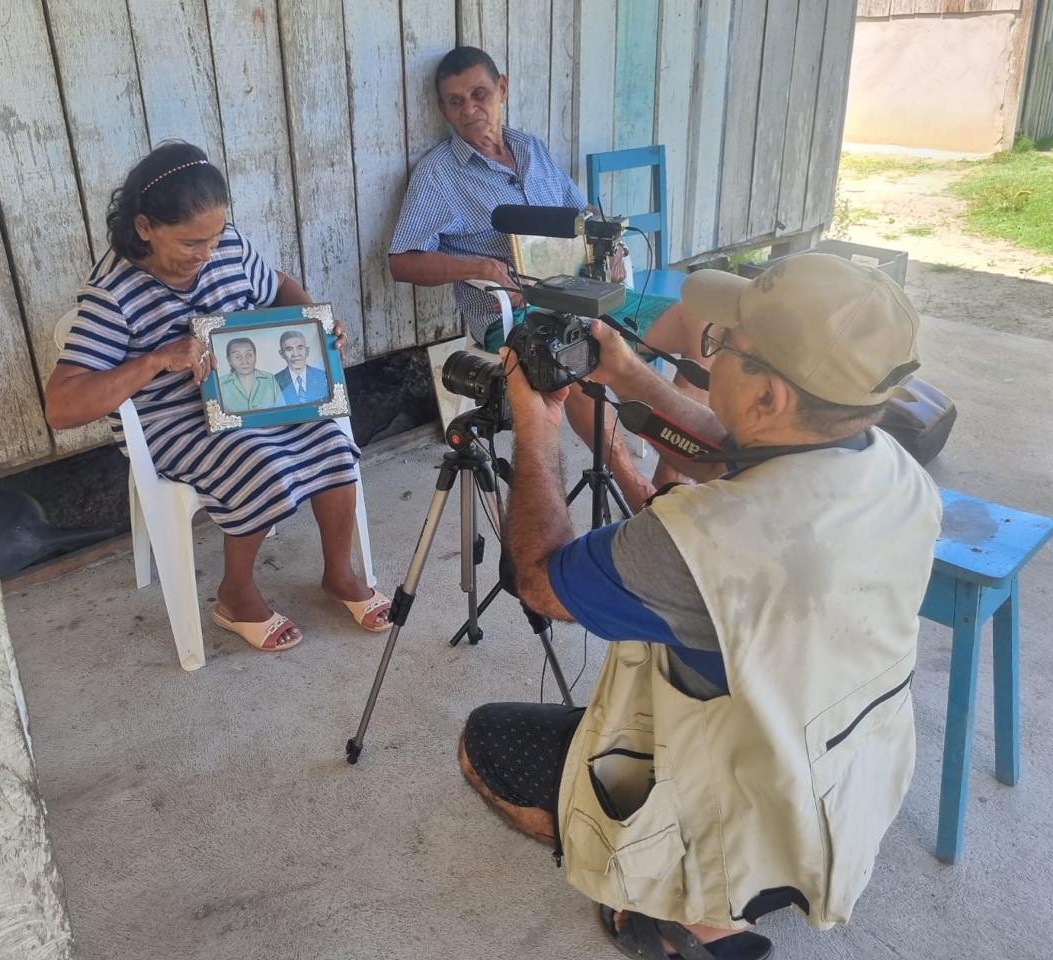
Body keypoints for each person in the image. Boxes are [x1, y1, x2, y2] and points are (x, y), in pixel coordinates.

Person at [458, 254, 942, 958]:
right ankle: (745, 890)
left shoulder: (704, 541)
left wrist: (534, 429)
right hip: (840, 788)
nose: (707, 351)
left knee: (486, 741)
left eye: (723, 346)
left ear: (770, 397)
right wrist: (626, 374)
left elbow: (539, 580)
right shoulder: (892, 470)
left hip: (731, 812)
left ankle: (691, 908)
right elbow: (746, 458)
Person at [45, 141, 391, 652]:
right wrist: (155, 359)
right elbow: (61, 406)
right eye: (190, 243)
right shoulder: (111, 296)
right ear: (145, 228)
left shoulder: (224, 246)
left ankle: (338, 573)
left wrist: (315, 323)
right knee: (258, 461)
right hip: (172, 419)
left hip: (247, 394)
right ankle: (235, 595)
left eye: (215, 237)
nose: (207, 254)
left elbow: (277, 285)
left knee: (333, 442)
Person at [388, 46, 710, 508]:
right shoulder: (438, 175)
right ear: (443, 109)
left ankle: (670, 476)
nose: (470, 109)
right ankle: (637, 493)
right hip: (518, 313)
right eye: (455, 101)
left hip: (584, 291)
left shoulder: (531, 148)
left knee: (704, 328)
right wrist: (478, 267)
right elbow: (402, 260)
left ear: (502, 89)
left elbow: (582, 211)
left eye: (479, 94)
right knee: (566, 355)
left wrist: (610, 244)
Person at [218, 336, 283, 412]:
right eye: (237, 357)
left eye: (249, 355)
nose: (244, 362)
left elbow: (282, 409)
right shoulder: (220, 384)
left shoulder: (269, 379)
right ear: (229, 360)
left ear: (255, 356)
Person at [274, 329, 330, 404]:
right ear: (282, 354)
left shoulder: (323, 376)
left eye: (300, 348)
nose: (295, 354)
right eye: (289, 349)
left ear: (307, 351)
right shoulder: (274, 382)